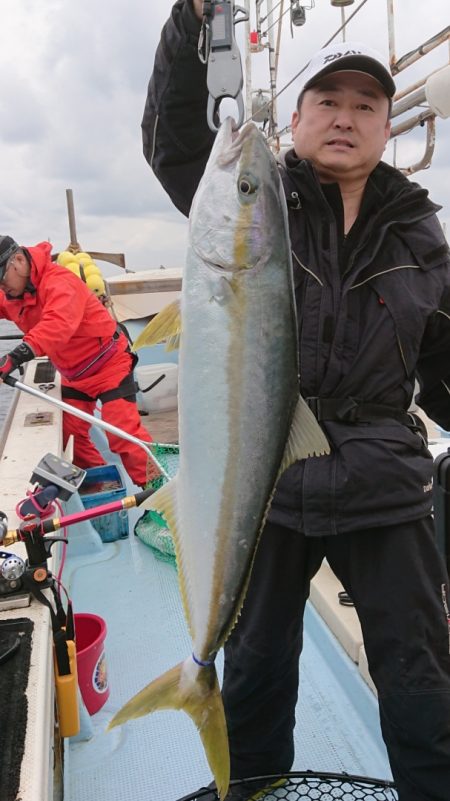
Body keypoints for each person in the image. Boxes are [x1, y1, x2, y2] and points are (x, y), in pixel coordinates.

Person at [143, 4, 450, 800]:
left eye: (365, 106)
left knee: (423, 688)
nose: (345, 118)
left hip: (385, 485)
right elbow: (174, 138)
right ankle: (249, 784)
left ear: (386, 125)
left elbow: (444, 368)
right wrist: (193, 21)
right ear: (298, 113)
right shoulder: (258, 199)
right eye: (328, 101)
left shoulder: (421, 235)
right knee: (256, 673)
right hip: (273, 484)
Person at [0, 237, 156, 489]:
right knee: (71, 437)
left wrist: (14, 357)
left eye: (2, 280)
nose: (3, 288)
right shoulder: (12, 293)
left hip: (109, 366)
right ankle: (105, 485)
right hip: (75, 375)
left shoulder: (59, 282)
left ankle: (159, 491)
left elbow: (56, 325)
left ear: (18, 261)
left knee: (123, 434)